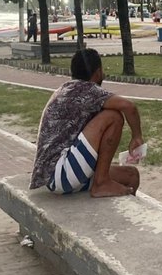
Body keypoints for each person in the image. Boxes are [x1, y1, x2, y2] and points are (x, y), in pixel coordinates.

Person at [29, 48, 143, 197]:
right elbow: (129, 107)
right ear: (97, 72)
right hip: (60, 173)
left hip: (57, 175)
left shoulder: (66, 89)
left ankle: (111, 195)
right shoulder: (87, 90)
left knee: (131, 176)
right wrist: (137, 136)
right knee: (114, 116)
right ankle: (101, 182)